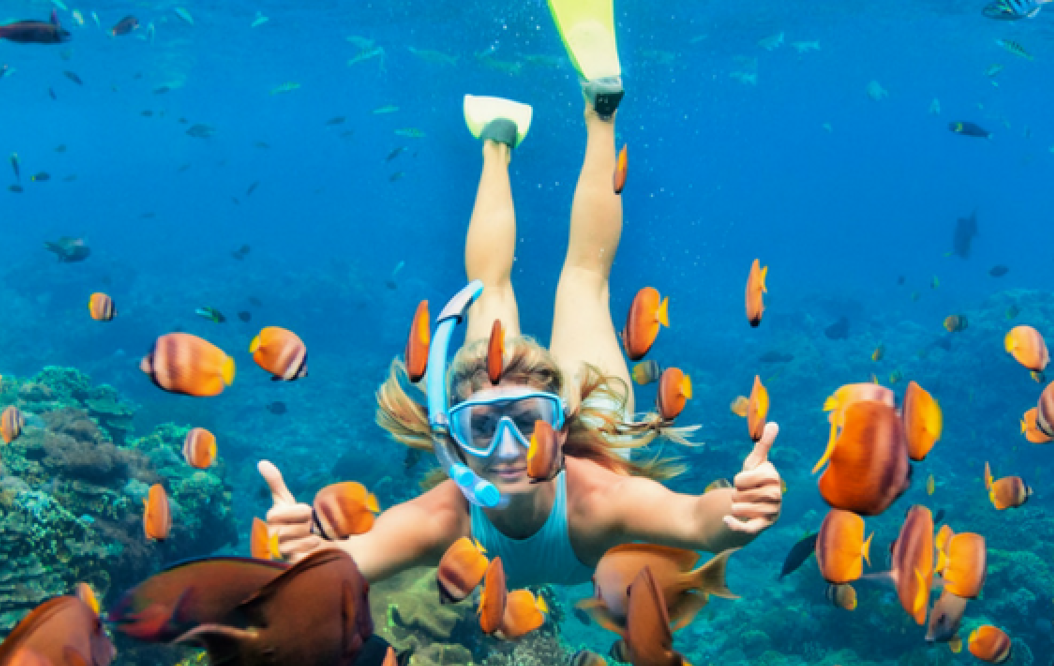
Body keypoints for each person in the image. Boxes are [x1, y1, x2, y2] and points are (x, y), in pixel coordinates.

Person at [257, 0, 783, 587]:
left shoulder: (598, 499)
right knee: (582, 279)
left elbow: (694, 518)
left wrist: (736, 512)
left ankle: (521, 134)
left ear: (560, 425)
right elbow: (350, 563)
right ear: (454, 436)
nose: (509, 446)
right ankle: (574, 119)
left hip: (594, 427)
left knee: (519, 287)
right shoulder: (444, 518)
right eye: (483, 426)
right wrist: (310, 557)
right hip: (585, 415)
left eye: (529, 421)